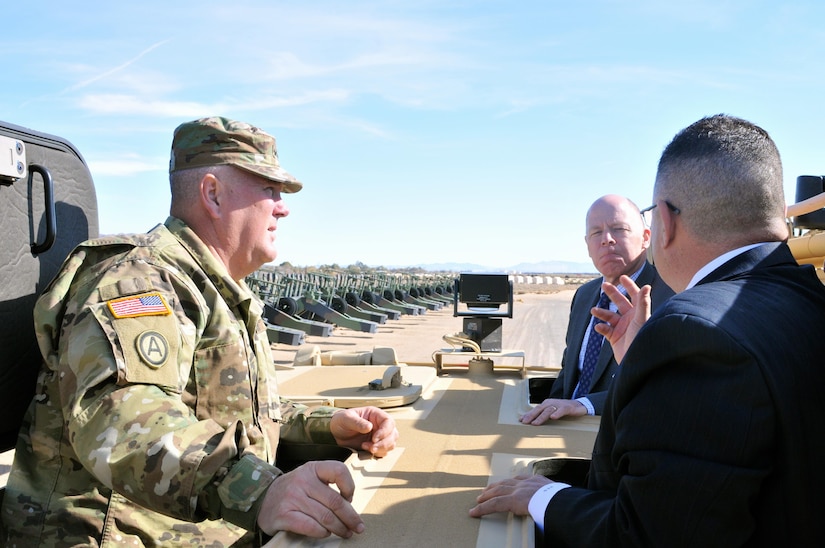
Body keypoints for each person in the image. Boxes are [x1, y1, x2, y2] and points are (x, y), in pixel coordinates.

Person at [1, 116, 399, 546]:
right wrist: (258, 488)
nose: (282, 206)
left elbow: (235, 415)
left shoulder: (218, 290)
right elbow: (122, 415)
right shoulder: (140, 280)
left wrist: (327, 427)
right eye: (268, 189)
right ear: (212, 194)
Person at [470, 114, 825, 545]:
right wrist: (637, 364)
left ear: (663, 224)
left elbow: (645, 534)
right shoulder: (809, 298)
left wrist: (544, 496)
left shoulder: (694, 332)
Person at [521, 194, 672, 422]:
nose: (607, 239)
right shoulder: (584, 295)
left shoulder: (670, 299)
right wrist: (549, 410)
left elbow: (664, 385)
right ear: (587, 245)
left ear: (645, 238)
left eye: (619, 229)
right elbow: (568, 371)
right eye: (596, 232)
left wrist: (583, 405)